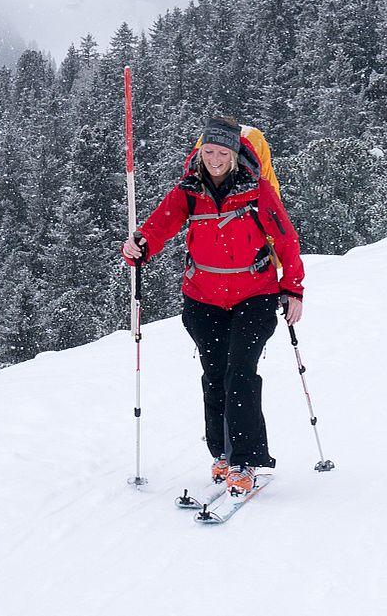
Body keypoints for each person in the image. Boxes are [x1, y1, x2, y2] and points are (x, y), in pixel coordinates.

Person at [122, 115, 304, 496]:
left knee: (240, 372)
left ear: (235, 154)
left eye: (222, 152)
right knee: (215, 375)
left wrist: (293, 289)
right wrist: (138, 245)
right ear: (200, 152)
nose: (215, 159)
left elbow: (285, 239)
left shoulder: (256, 191)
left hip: (254, 295)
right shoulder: (188, 191)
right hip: (202, 298)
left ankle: (245, 460)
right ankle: (222, 454)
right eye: (208, 151)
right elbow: (159, 227)